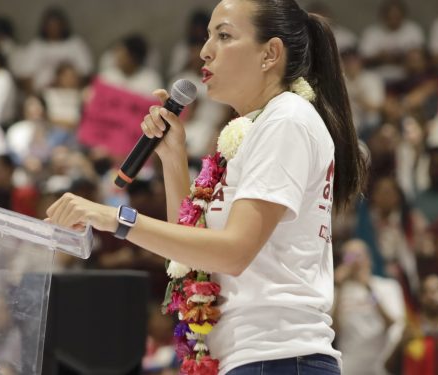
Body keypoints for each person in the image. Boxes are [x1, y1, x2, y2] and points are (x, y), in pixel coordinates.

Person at [45, 0, 366, 373]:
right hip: (252, 358)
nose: (204, 50)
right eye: (208, 36)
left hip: (278, 357)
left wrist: (116, 218)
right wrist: (173, 156)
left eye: (224, 36)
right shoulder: (254, 129)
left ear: (270, 54)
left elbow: (233, 252)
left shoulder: (287, 119)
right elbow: (188, 257)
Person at [333, 239, 405, 375]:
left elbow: (392, 323)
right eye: (349, 256)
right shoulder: (339, 292)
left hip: (379, 365)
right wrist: (340, 288)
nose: (355, 261)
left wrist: (368, 289)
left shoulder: (387, 286)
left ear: (368, 258)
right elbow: (335, 329)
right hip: (349, 365)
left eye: (358, 255)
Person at [19, 7, 93, 93]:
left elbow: (86, 73)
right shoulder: (36, 46)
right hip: (42, 94)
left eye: (57, 25)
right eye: (50, 25)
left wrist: (63, 83)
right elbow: (25, 76)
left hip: (72, 95)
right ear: (44, 27)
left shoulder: (76, 44)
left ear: (64, 26)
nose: (54, 28)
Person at [359, 0, 425, 83]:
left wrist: (399, 57)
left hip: (408, 77)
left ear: (403, 15)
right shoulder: (371, 32)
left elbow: (420, 58)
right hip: (377, 77)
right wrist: (379, 57)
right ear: (383, 16)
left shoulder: (413, 30)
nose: (393, 19)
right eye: (389, 16)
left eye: (396, 16)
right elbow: (362, 59)